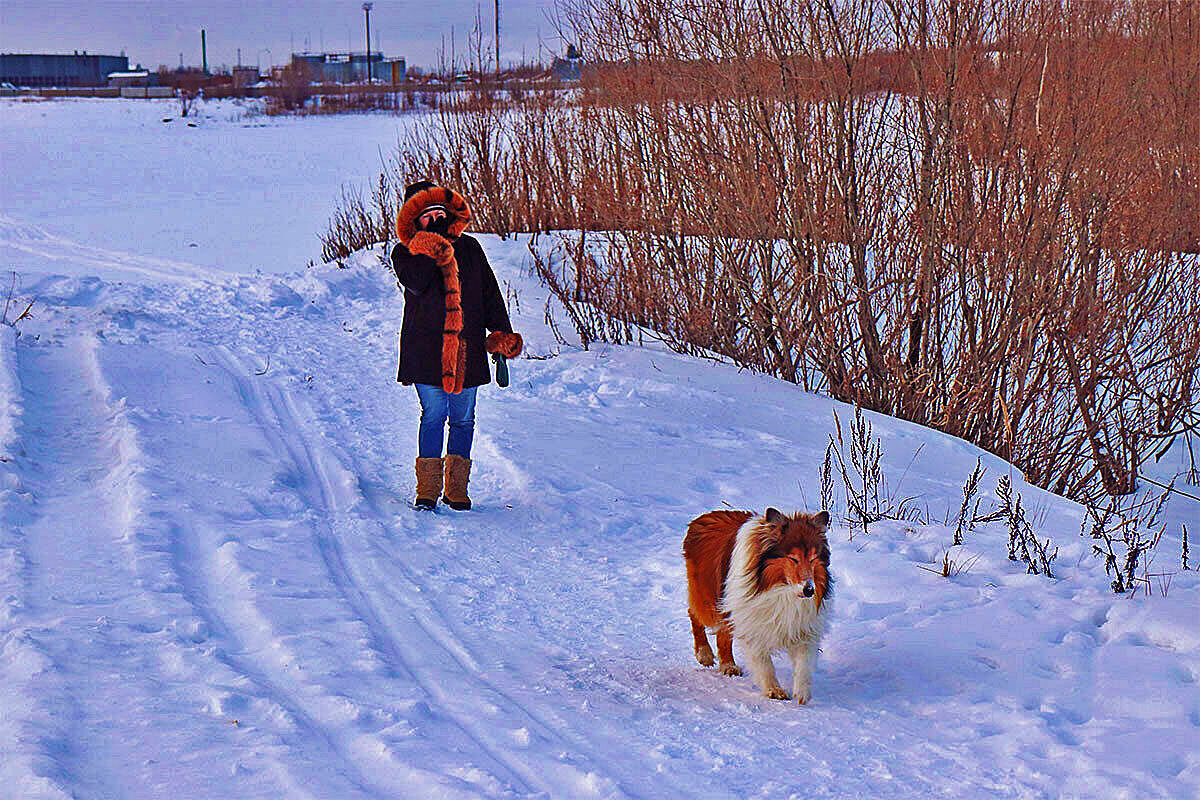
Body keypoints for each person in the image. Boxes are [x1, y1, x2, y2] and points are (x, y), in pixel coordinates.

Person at [391, 181, 523, 510]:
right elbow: (418, 283)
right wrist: (431, 247)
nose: (435, 219)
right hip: (426, 352)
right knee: (434, 414)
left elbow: (490, 293)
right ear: (414, 221)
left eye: (440, 213)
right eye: (427, 215)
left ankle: (457, 489)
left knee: (464, 418)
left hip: (469, 348)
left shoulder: (471, 248)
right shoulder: (404, 253)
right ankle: (428, 489)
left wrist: (503, 333)